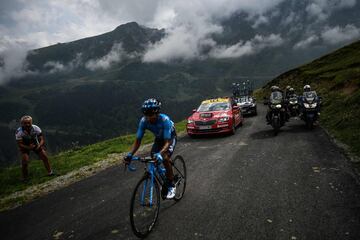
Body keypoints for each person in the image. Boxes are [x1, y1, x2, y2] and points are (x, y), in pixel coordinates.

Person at [124, 98, 177, 199]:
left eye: (151, 115)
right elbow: (138, 140)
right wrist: (130, 154)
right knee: (153, 157)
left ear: (157, 113)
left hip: (170, 138)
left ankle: (171, 184)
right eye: (146, 115)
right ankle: (165, 173)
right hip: (159, 139)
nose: (148, 118)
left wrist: (161, 153)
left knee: (164, 157)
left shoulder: (164, 120)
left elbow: (167, 142)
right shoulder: (144, 121)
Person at [15, 115, 54, 182]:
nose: (27, 124)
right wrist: (28, 147)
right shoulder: (19, 132)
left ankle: (50, 172)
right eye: (25, 123)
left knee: (44, 156)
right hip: (25, 146)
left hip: (35, 144)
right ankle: (25, 178)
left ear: (31, 122)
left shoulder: (36, 128)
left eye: (29, 123)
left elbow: (42, 139)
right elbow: (20, 144)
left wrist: (39, 145)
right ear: (22, 124)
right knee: (25, 161)